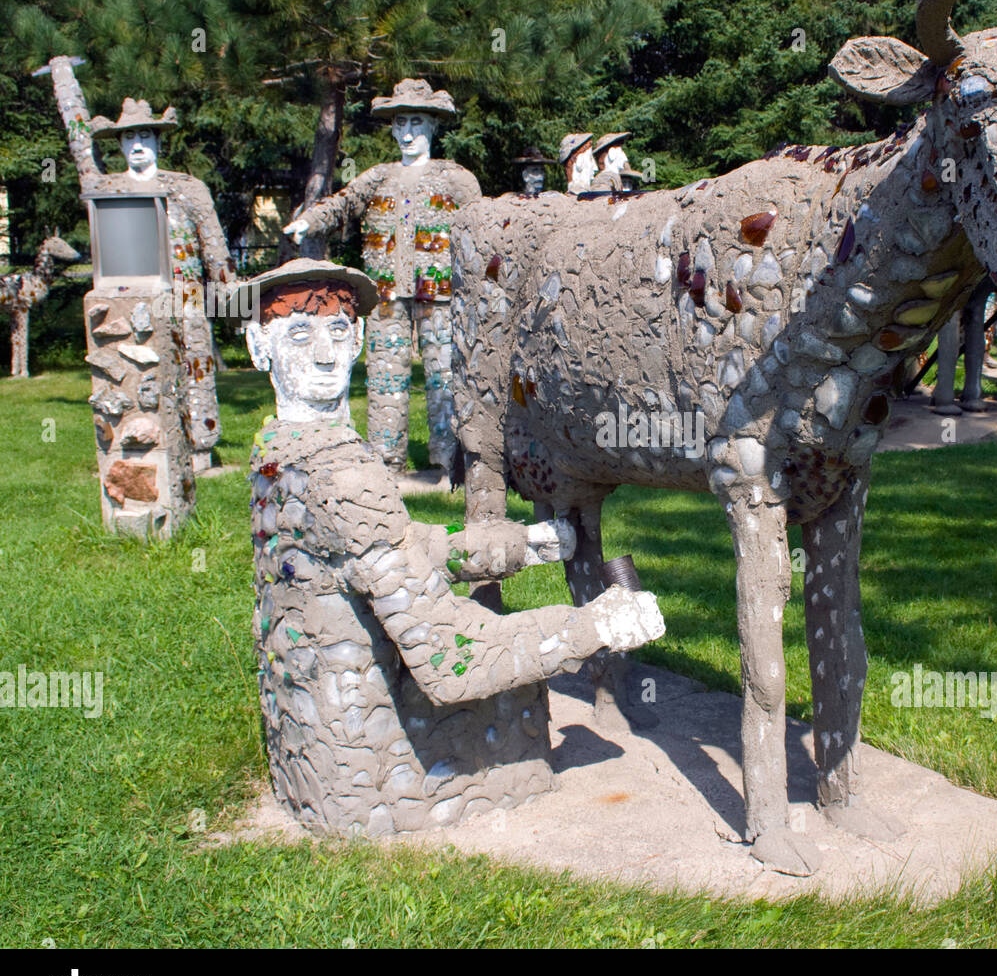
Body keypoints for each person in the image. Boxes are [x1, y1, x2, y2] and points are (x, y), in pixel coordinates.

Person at [242, 257, 665, 835]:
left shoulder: (276, 449)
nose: (323, 354)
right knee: (517, 686)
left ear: (360, 339)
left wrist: (523, 545)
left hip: (308, 743)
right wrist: (596, 627)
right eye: (299, 332)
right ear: (257, 346)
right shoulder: (342, 476)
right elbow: (451, 659)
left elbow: (388, 552)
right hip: (368, 766)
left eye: (337, 331)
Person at [283, 79, 481, 480]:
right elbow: (343, 203)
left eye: (416, 123)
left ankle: (448, 461)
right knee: (386, 376)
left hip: (440, 293)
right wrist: (309, 221)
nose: (407, 133)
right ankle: (385, 460)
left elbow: (481, 226)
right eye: (400, 123)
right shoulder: (378, 177)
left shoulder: (455, 178)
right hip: (386, 295)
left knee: (444, 375)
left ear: (432, 127)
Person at [44, 57, 235, 470]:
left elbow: (214, 245)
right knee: (139, 372)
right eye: (129, 137)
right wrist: (64, 77)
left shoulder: (186, 187)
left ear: (158, 140)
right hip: (132, 302)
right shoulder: (109, 189)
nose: (138, 145)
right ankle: (146, 445)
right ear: (120, 144)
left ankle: (201, 445)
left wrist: (228, 293)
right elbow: (80, 146)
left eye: (145, 135)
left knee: (195, 367)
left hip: (184, 296)